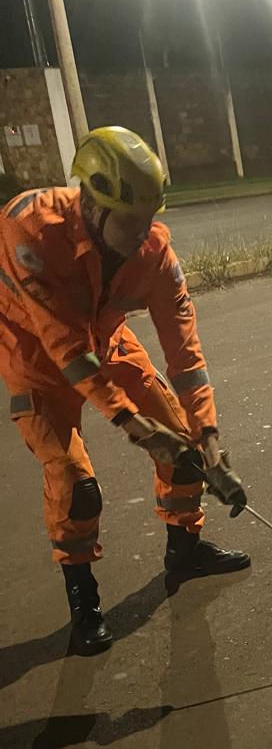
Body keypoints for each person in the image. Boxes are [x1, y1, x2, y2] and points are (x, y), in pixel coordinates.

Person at [0, 125, 249, 655]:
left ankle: (185, 551)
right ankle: (83, 603)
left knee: (183, 451)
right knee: (75, 483)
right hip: (35, 357)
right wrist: (137, 428)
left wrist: (208, 439)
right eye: (131, 220)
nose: (143, 231)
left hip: (105, 343)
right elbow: (64, 347)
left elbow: (185, 353)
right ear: (92, 203)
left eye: (150, 218)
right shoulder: (31, 227)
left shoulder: (153, 251)